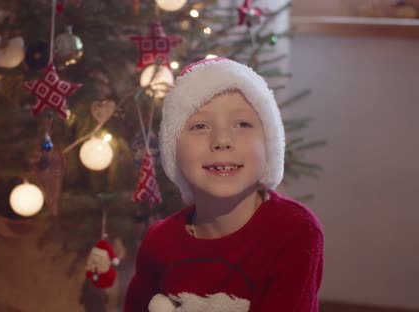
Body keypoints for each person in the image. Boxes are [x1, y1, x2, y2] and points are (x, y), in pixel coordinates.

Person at [124, 57, 324, 312]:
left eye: (242, 124)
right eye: (200, 125)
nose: (222, 140)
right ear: (173, 148)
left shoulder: (295, 231)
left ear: (269, 145)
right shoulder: (159, 241)